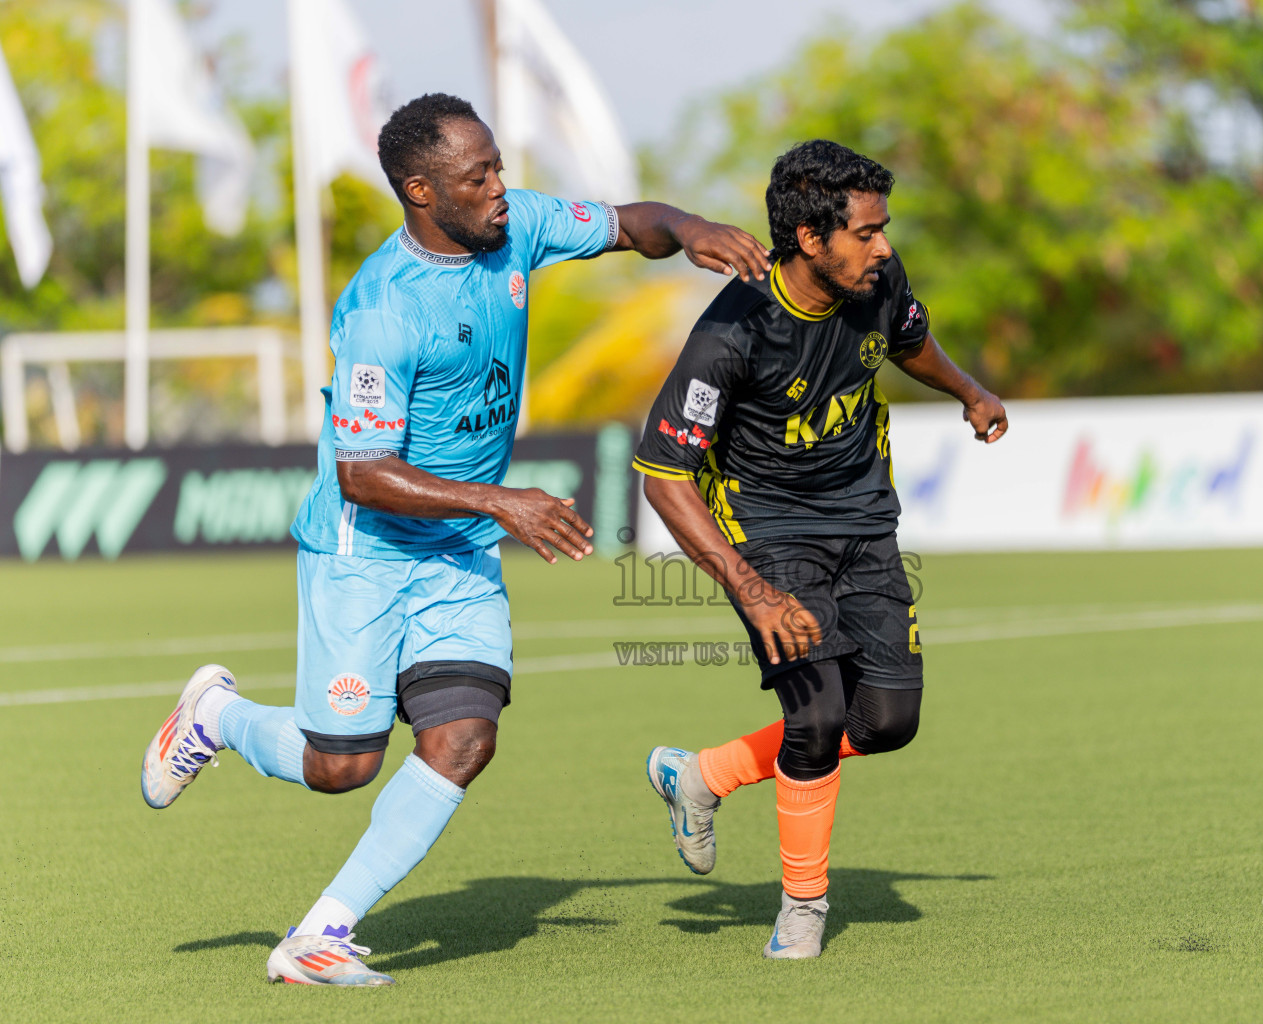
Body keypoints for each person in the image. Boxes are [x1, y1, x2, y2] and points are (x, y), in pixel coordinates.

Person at [139, 93, 769, 987]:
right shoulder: (382, 309)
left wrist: (693, 227)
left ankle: (321, 931)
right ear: (421, 190)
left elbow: (636, 224)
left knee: (466, 737)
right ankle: (216, 719)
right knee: (342, 765)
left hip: (457, 552)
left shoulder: (517, 229)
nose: (502, 189)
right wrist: (502, 502)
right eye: (479, 178)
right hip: (366, 552)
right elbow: (361, 471)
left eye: (500, 167)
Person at [634, 139, 1007, 959]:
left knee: (885, 721)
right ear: (810, 239)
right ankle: (803, 908)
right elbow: (665, 477)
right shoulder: (731, 332)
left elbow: (908, 343)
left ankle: (701, 776)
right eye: (866, 233)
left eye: (882, 230)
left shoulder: (880, 280)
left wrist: (969, 389)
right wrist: (754, 590)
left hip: (867, 519)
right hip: (767, 533)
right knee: (816, 717)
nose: (883, 246)